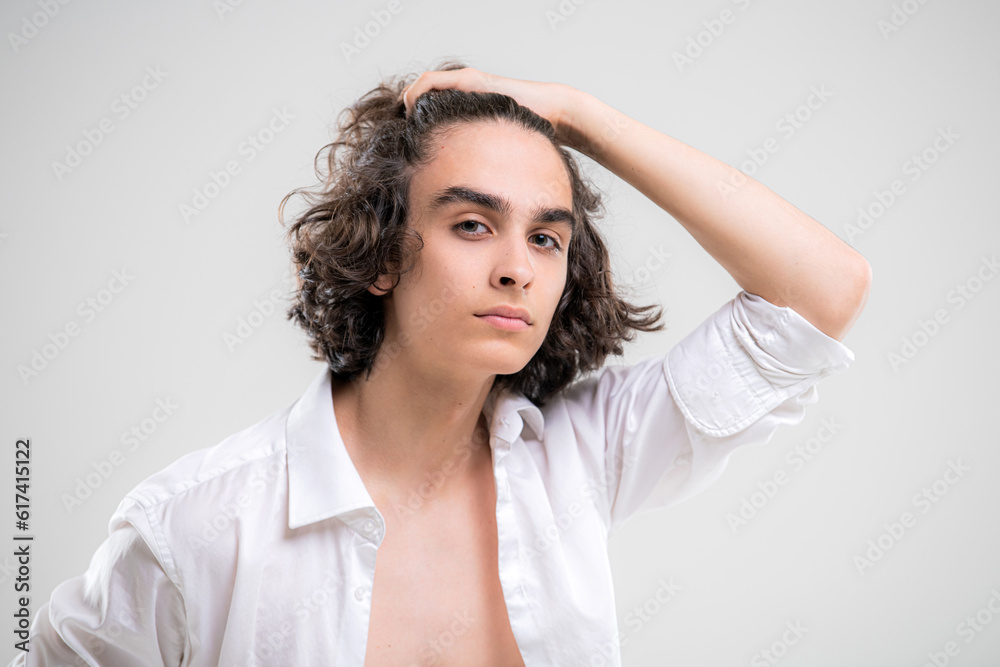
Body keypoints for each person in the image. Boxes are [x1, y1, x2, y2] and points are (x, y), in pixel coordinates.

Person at [10, 59, 871, 666]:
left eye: (546, 236)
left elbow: (824, 289)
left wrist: (577, 116)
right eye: (471, 224)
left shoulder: (583, 454)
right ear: (382, 254)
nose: (516, 267)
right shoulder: (193, 526)